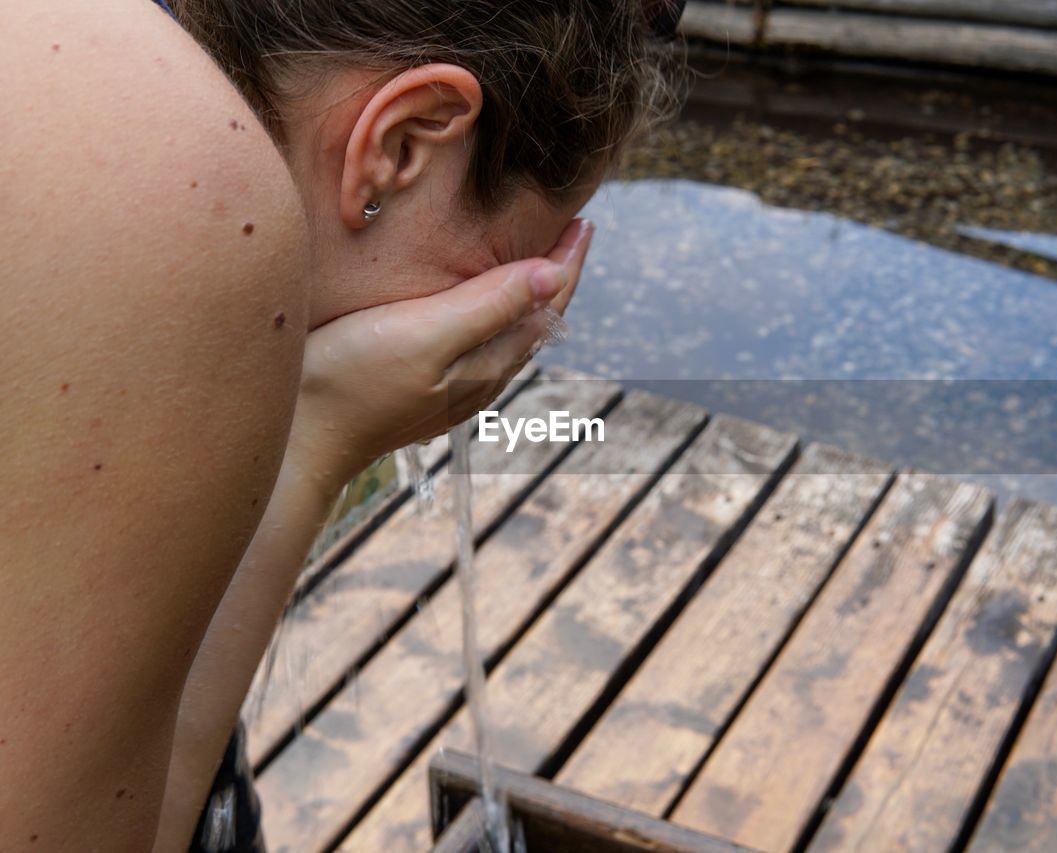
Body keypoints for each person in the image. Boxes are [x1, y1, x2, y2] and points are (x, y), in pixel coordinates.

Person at [0, 0, 679, 849]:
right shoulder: (184, 180)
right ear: (402, 144)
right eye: (501, 274)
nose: (482, 334)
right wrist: (316, 441)